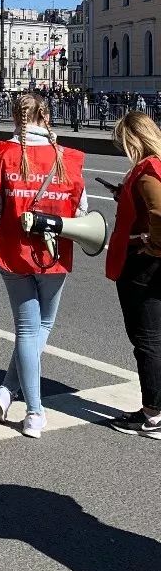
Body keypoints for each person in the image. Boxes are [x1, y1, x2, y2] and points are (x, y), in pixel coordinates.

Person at [0, 91, 86, 438]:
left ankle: (6, 392)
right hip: (54, 254)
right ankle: (34, 412)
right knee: (40, 328)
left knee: (28, 331)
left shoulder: (0, 153)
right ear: (48, 116)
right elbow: (82, 211)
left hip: (13, 252)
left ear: (15, 117)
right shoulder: (67, 157)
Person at [104, 113, 161, 438]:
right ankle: (154, 406)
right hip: (151, 262)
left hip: (144, 265)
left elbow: (159, 213)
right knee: (154, 338)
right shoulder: (155, 167)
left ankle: (153, 415)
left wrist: (152, 247)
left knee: (147, 339)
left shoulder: (147, 171)